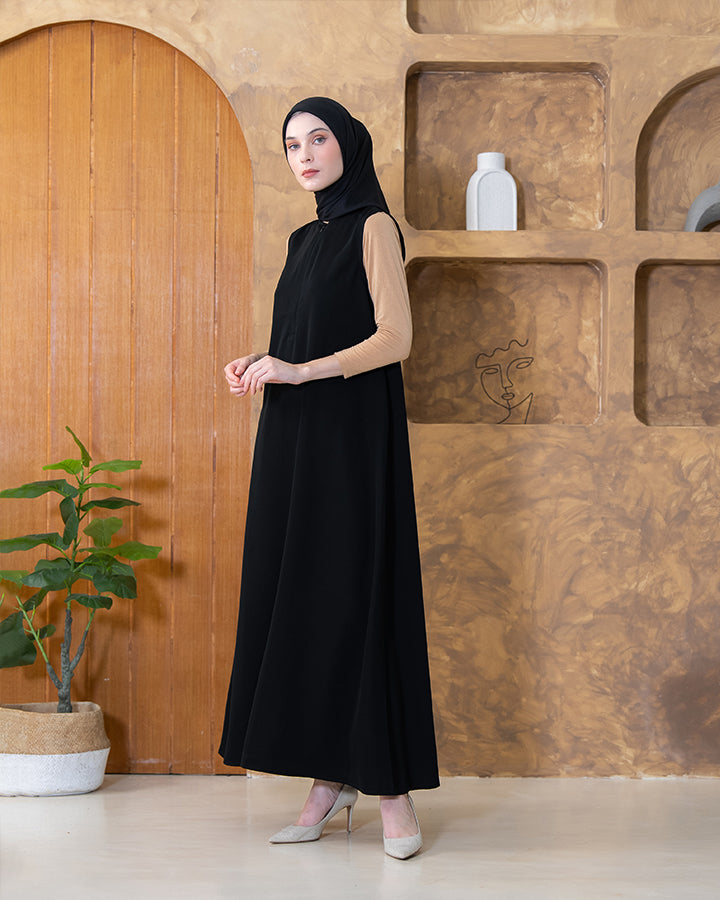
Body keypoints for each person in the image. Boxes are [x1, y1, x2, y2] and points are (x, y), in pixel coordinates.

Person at [219, 96, 439, 860]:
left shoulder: (373, 226)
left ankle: (391, 792)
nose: (305, 155)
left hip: (350, 441)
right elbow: (303, 334)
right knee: (306, 598)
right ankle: (327, 781)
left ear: (348, 145)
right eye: (292, 145)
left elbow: (396, 338)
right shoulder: (301, 239)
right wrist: (261, 361)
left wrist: (302, 371)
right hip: (293, 439)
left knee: (357, 595)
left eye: (319, 139)